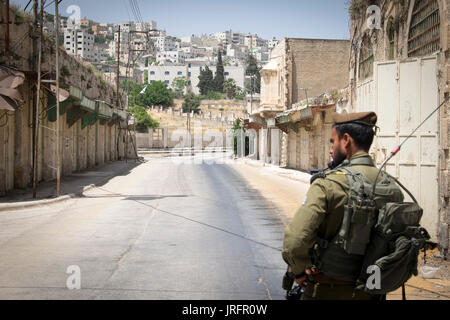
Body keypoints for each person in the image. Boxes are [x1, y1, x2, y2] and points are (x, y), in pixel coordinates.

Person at [282, 111, 386, 300]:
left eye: (333, 142)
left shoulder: (327, 185)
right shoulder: (390, 186)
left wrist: (298, 272)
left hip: (326, 291)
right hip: (372, 293)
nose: (331, 149)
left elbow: (294, 242)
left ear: (346, 140)